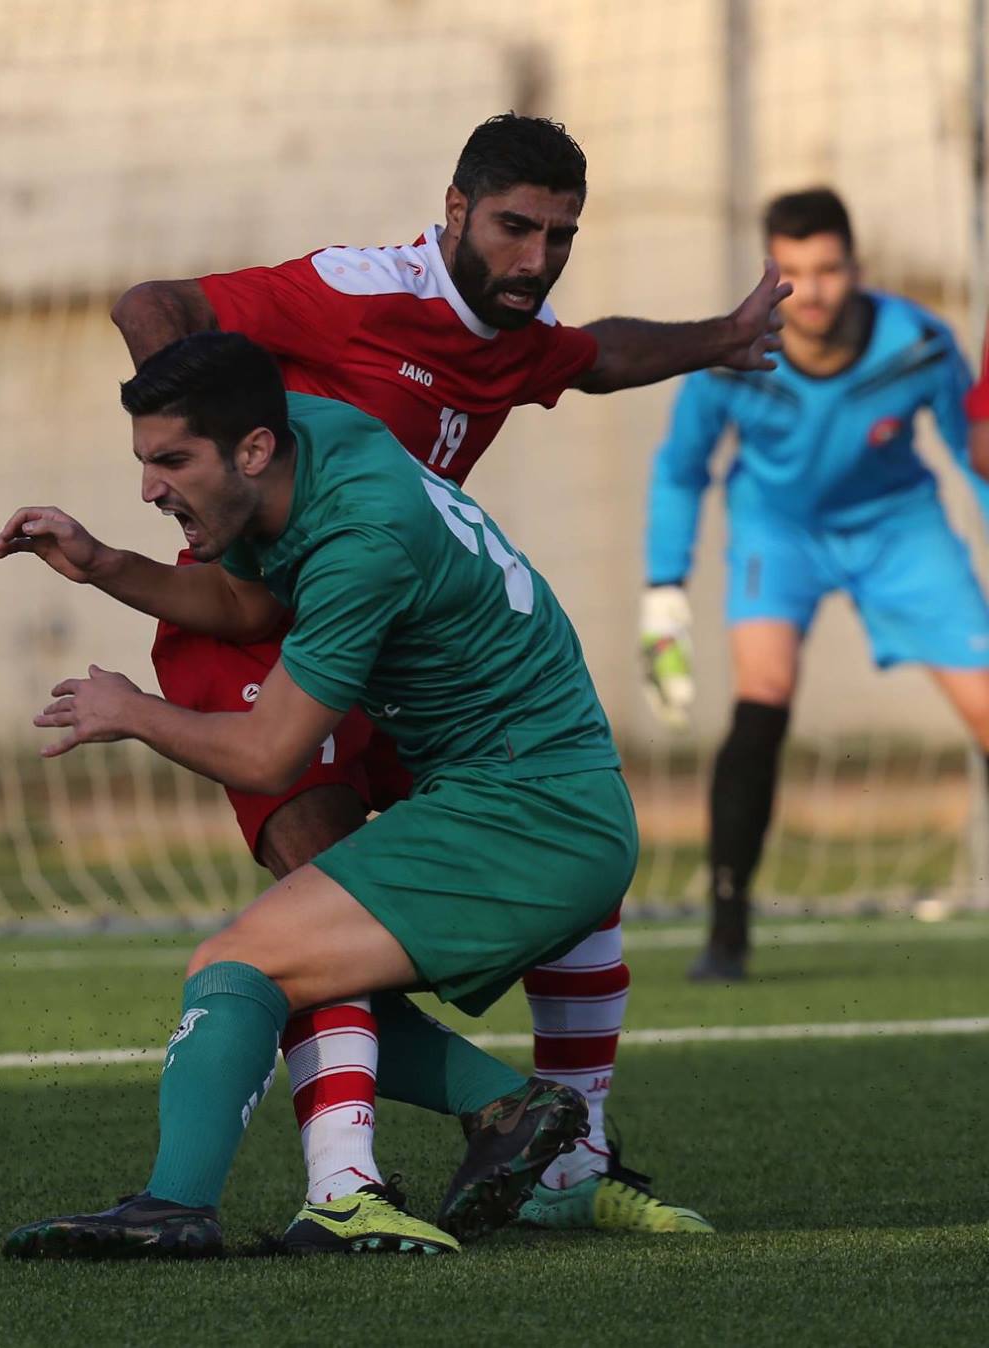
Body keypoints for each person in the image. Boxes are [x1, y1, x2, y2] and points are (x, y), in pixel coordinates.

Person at [106, 113, 758, 1233]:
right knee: (322, 895)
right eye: (513, 228)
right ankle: (343, 1182)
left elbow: (594, 354)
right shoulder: (354, 292)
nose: (533, 258)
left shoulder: (509, 331)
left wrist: (721, 334)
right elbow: (152, 304)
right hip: (253, 636)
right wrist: (192, 426)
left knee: (563, 871)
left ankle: (568, 1154)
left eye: (557, 236)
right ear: (453, 209)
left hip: (387, 642)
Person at [0, 331, 635, 1259]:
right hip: (520, 794)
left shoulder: (361, 541)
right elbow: (252, 607)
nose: (150, 488)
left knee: (242, 960)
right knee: (281, 962)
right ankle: (503, 1106)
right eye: (143, 461)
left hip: (531, 815)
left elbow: (264, 754)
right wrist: (102, 564)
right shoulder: (318, 436)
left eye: (173, 461)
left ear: (253, 449)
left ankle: (176, 1207)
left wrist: (133, 711)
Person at [639, 188, 989, 981]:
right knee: (761, 697)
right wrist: (664, 591)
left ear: (854, 266)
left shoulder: (920, 342)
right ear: (772, 271)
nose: (816, 290)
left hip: (900, 527)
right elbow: (683, 470)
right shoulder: (733, 354)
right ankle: (726, 932)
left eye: (829, 269)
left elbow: (976, 452)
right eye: (794, 272)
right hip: (778, 533)